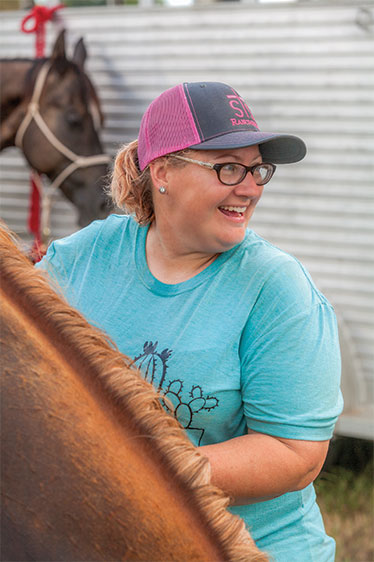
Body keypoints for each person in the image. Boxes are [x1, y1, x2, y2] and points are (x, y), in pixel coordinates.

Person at [36, 81, 343, 561]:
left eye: (258, 169)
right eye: (228, 168)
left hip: (245, 551)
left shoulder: (276, 288)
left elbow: (294, 455)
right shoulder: (84, 257)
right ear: (162, 171)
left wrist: (132, 467)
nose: (250, 187)